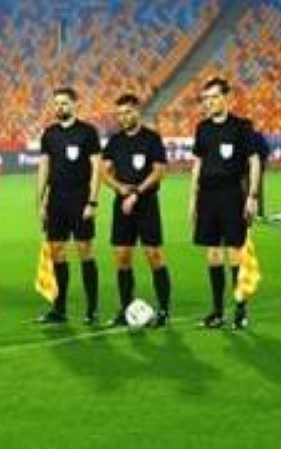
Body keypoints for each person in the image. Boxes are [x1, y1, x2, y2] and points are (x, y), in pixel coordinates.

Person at [189, 77, 261, 329]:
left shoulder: (242, 126)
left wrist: (252, 196)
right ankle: (217, 312)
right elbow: (197, 163)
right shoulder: (202, 128)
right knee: (213, 255)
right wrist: (193, 199)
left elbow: (254, 161)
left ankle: (240, 310)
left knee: (234, 253)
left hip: (231, 194)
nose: (208, 103)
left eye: (213, 97)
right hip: (207, 196)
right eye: (205, 99)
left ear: (226, 98)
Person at [101, 94, 171, 327]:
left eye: (128, 112)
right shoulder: (115, 142)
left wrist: (137, 193)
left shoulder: (152, 139)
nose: (123, 117)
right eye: (119, 114)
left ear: (137, 112)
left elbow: (159, 171)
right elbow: (104, 171)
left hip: (146, 204)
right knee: (122, 257)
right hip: (122, 205)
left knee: (154, 256)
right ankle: (125, 310)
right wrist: (120, 187)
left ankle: (164, 311)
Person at [36, 87, 102, 325]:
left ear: (74, 104)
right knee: (57, 252)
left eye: (64, 103)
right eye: (56, 103)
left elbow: (97, 168)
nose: (59, 107)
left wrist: (92, 201)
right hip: (56, 200)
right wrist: (40, 202)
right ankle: (59, 309)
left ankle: (92, 310)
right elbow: (44, 168)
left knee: (85, 251)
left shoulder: (88, 132)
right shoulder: (49, 134)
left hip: (80, 198)